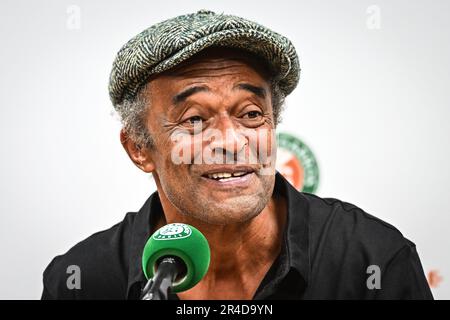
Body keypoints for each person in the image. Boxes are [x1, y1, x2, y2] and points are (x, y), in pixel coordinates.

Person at [41, 10, 433, 300]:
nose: (231, 139)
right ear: (139, 148)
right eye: (194, 119)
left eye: (250, 114)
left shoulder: (372, 260)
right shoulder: (82, 281)